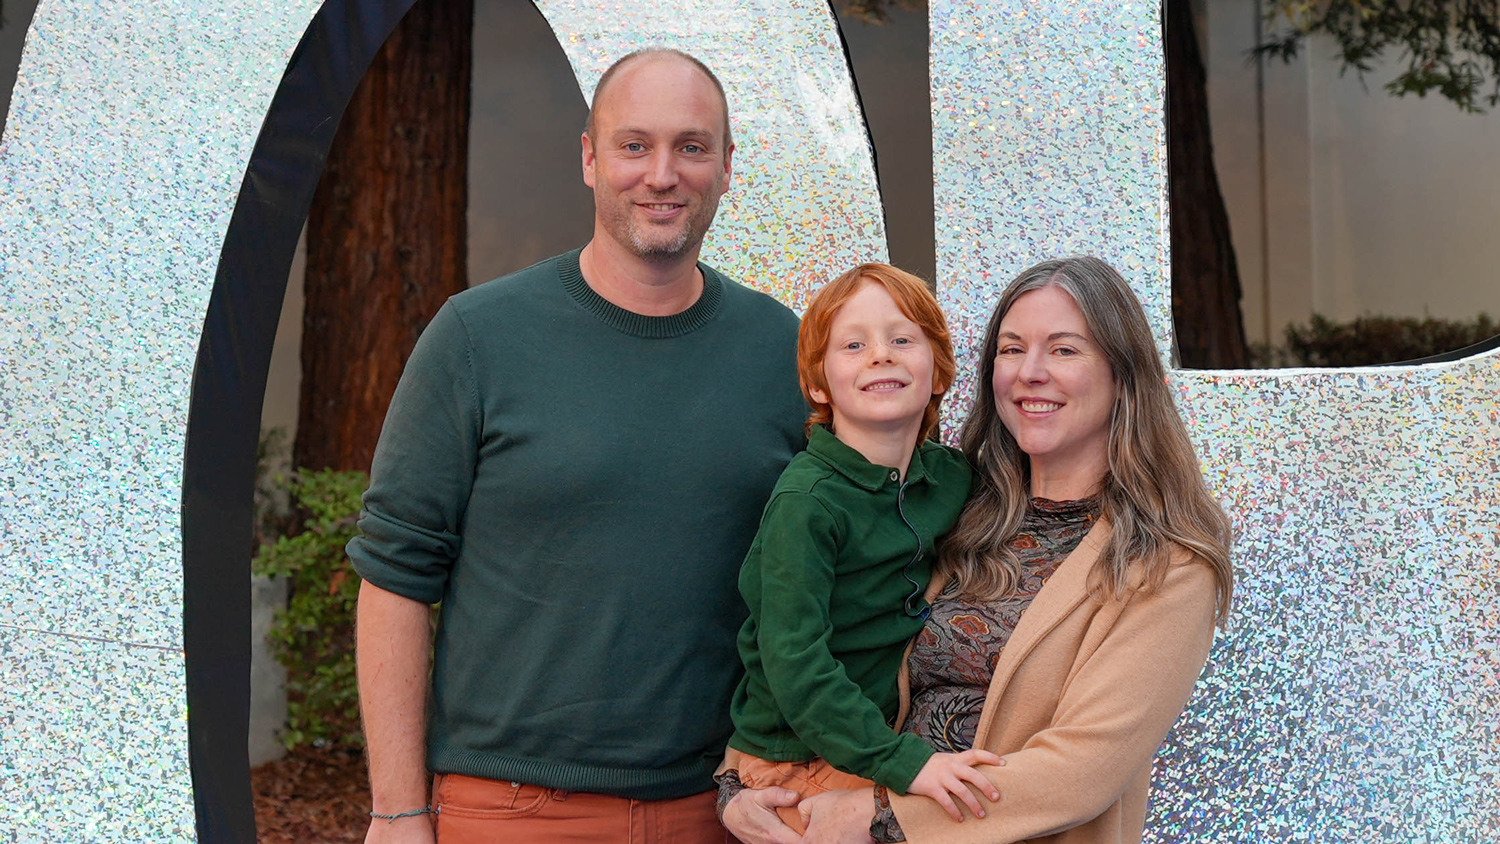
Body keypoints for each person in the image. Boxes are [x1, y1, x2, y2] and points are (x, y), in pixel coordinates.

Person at [348, 49, 808, 844]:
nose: (662, 174)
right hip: (508, 809)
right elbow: (394, 576)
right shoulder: (476, 337)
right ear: (590, 158)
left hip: (723, 810)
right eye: (634, 145)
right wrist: (396, 812)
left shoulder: (782, 350)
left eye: (691, 147)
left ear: (729, 167)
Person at [723, 256, 1234, 844]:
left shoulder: (1166, 564)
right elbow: (804, 641)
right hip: (832, 792)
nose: (1031, 372)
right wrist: (740, 783)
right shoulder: (961, 506)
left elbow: (1080, 773)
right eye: (1012, 349)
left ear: (1124, 374)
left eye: (1065, 350)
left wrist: (883, 816)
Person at [722, 263, 1002, 834]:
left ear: (939, 371)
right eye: (853, 345)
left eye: (903, 340)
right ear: (819, 385)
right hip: (795, 755)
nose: (881, 355)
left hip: (872, 742)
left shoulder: (951, 479)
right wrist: (903, 762)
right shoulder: (808, 502)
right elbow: (795, 661)